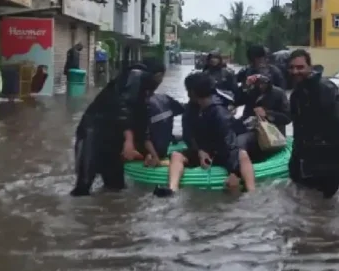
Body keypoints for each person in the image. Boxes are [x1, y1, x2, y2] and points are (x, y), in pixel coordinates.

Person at [71, 57, 166, 196]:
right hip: (94, 130)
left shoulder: (144, 91)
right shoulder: (136, 76)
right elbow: (123, 107)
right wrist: (129, 140)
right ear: (158, 75)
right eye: (161, 78)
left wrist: (152, 154)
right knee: (84, 184)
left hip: (115, 135)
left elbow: (142, 124)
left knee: (115, 187)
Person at [153, 72, 255, 197]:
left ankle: (251, 191)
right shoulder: (190, 109)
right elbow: (188, 135)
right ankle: (172, 189)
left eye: (188, 90)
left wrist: (234, 173)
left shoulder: (220, 113)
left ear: (193, 92)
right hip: (202, 151)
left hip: (222, 153)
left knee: (242, 155)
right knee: (176, 155)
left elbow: (229, 143)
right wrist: (200, 151)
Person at [287, 49, 339, 198]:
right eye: (292, 67)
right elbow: (293, 123)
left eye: (300, 67)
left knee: (326, 204)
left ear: (310, 67)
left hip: (328, 158)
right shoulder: (296, 94)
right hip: (303, 157)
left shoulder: (326, 88)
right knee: (301, 202)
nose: (295, 71)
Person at [236, 74, 291, 161]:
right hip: (250, 126)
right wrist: (244, 86)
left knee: (241, 140)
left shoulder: (279, 93)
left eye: (263, 83)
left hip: (271, 131)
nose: (261, 86)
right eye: (258, 83)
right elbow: (236, 101)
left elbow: (288, 117)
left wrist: (267, 113)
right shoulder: (251, 91)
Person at [145, 93, 185, 166]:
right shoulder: (166, 98)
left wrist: (154, 156)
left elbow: (144, 135)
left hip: (151, 152)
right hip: (161, 151)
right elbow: (184, 109)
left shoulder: (140, 105)